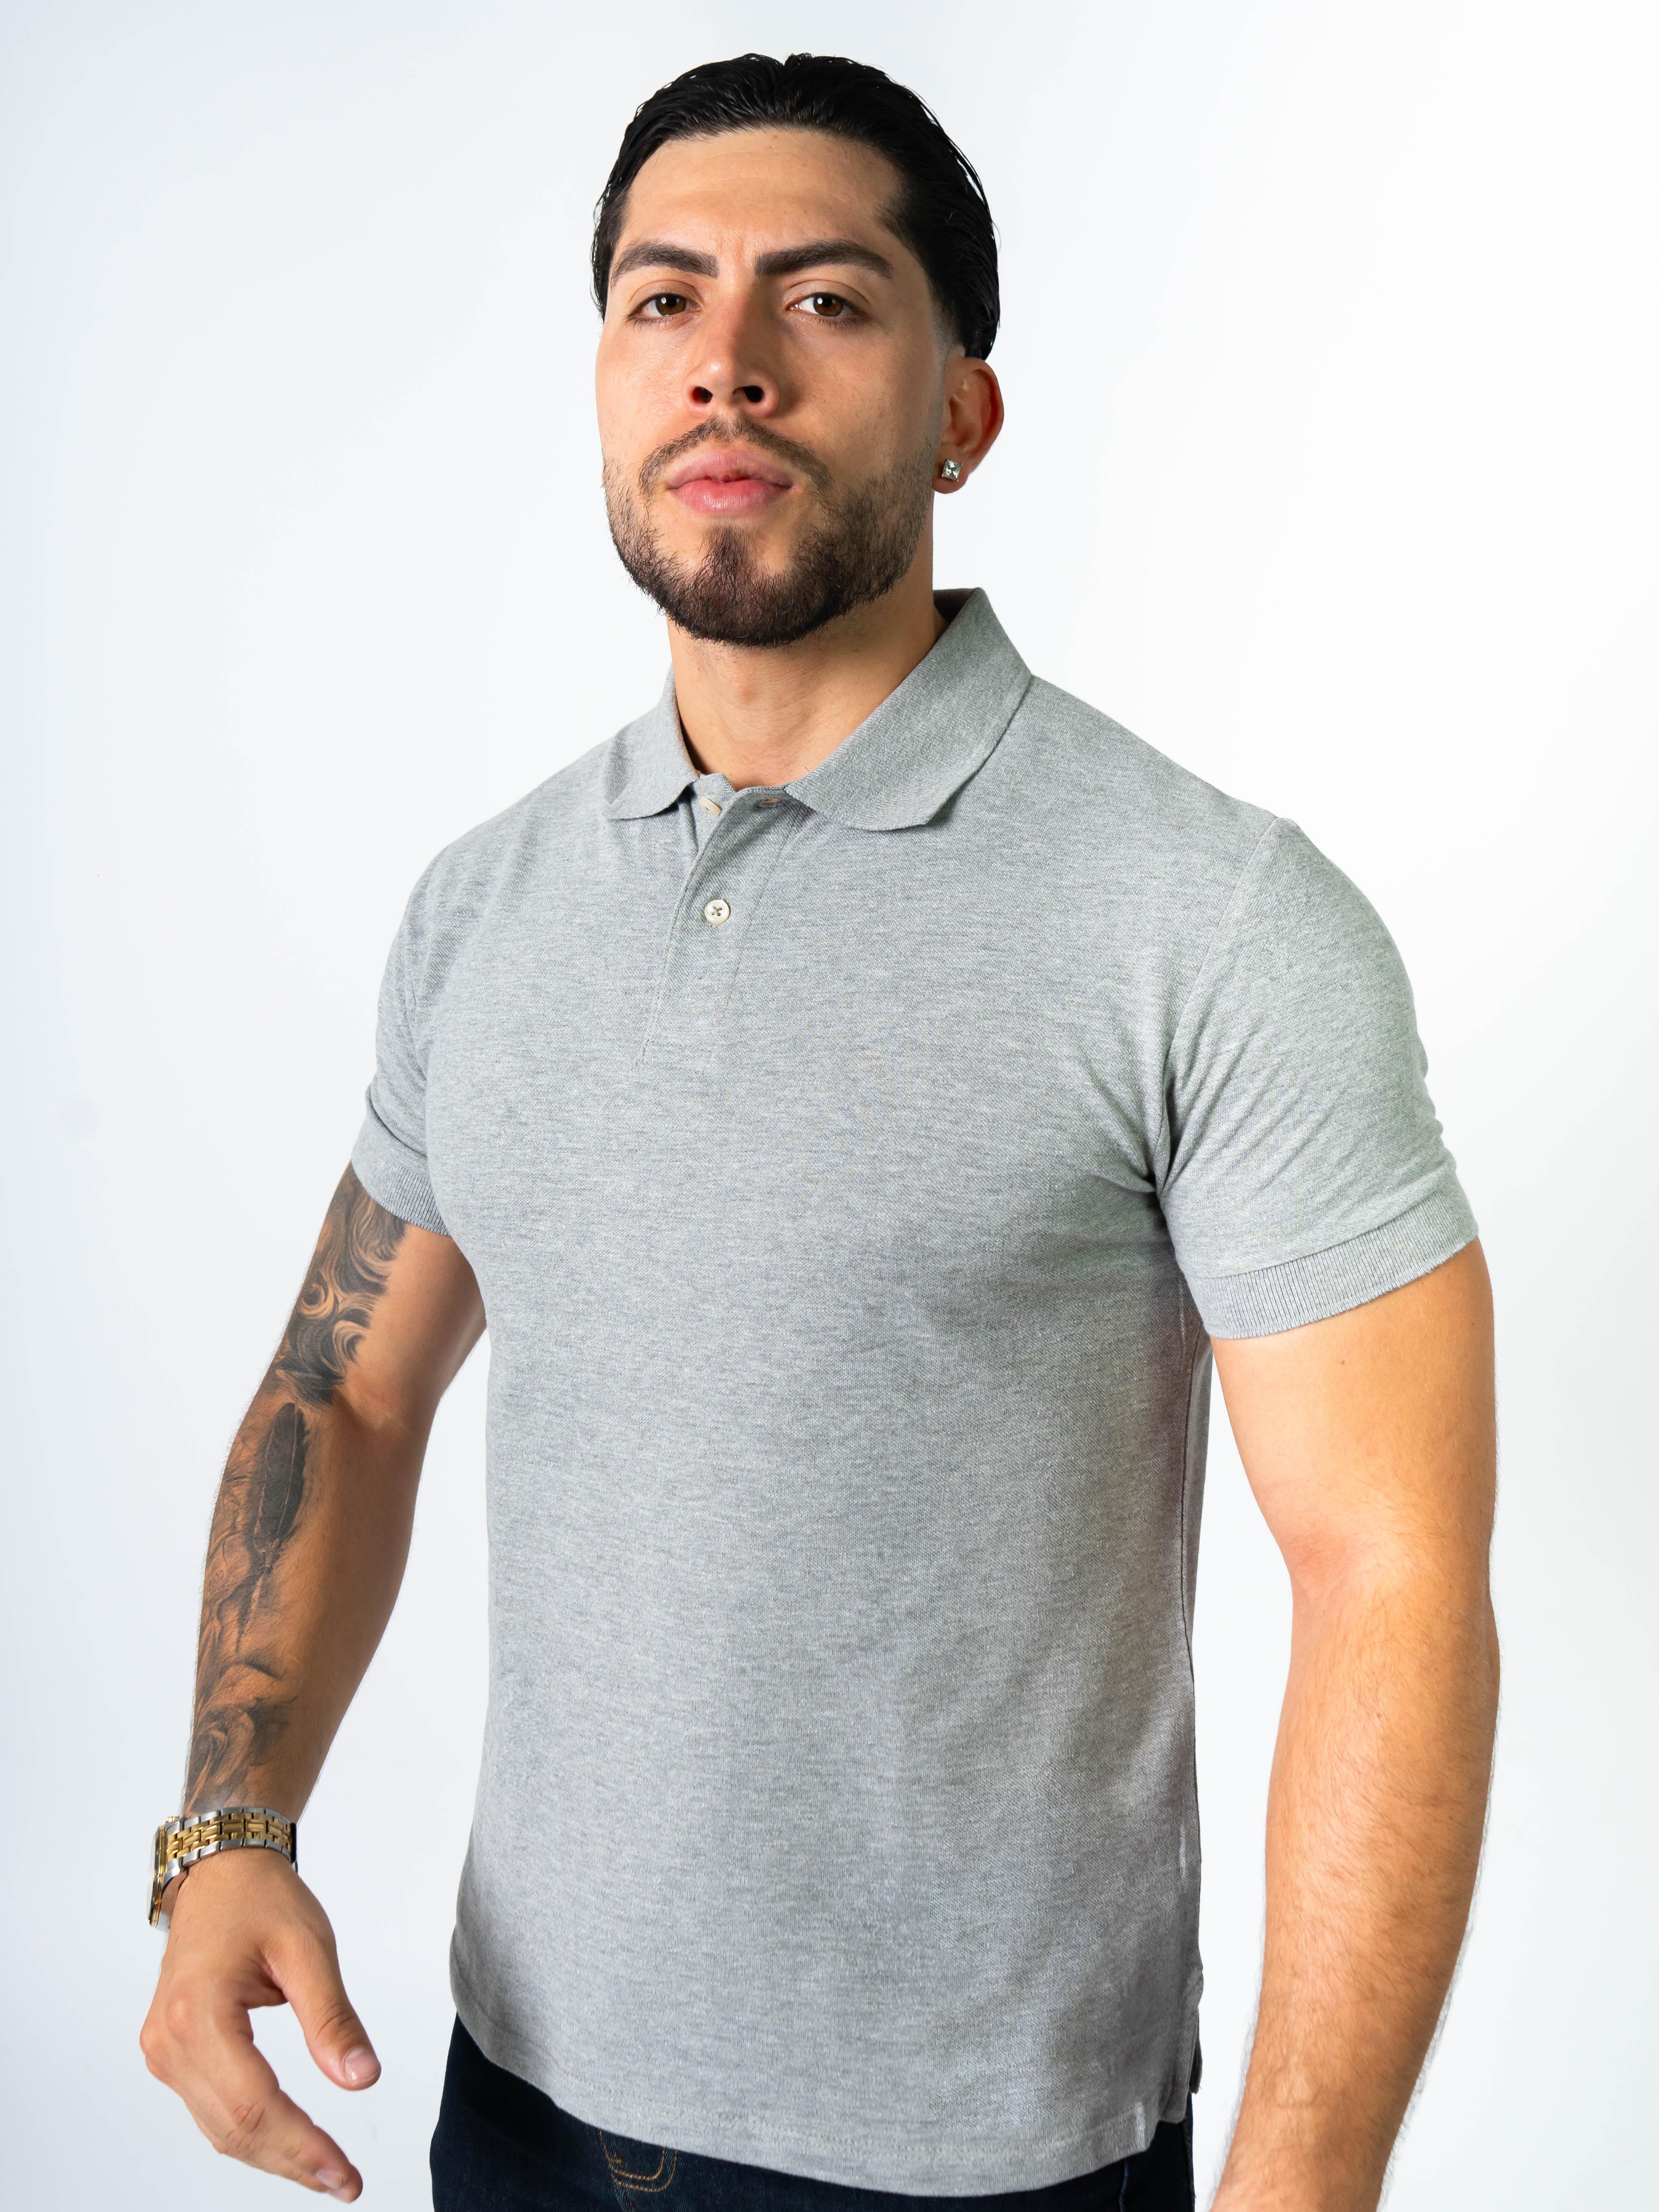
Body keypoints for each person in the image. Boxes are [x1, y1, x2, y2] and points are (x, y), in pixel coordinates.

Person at [139, 51, 1499, 2212]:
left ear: (965, 408)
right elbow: (349, 1384)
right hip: (520, 2104)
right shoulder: (486, 906)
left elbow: (1388, 1578)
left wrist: (1303, 2185)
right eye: (662, 299)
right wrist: (229, 1829)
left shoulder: (1211, 917)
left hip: (985, 2165)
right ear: (606, 381)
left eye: (829, 300)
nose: (729, 362)